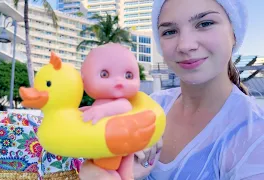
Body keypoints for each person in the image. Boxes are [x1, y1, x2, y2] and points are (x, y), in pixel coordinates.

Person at [78, 0, 264, 179]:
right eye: (170, 31)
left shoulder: (255, 134)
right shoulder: (151, 105)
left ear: (234, 32)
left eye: (205, 23)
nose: (185, 45)